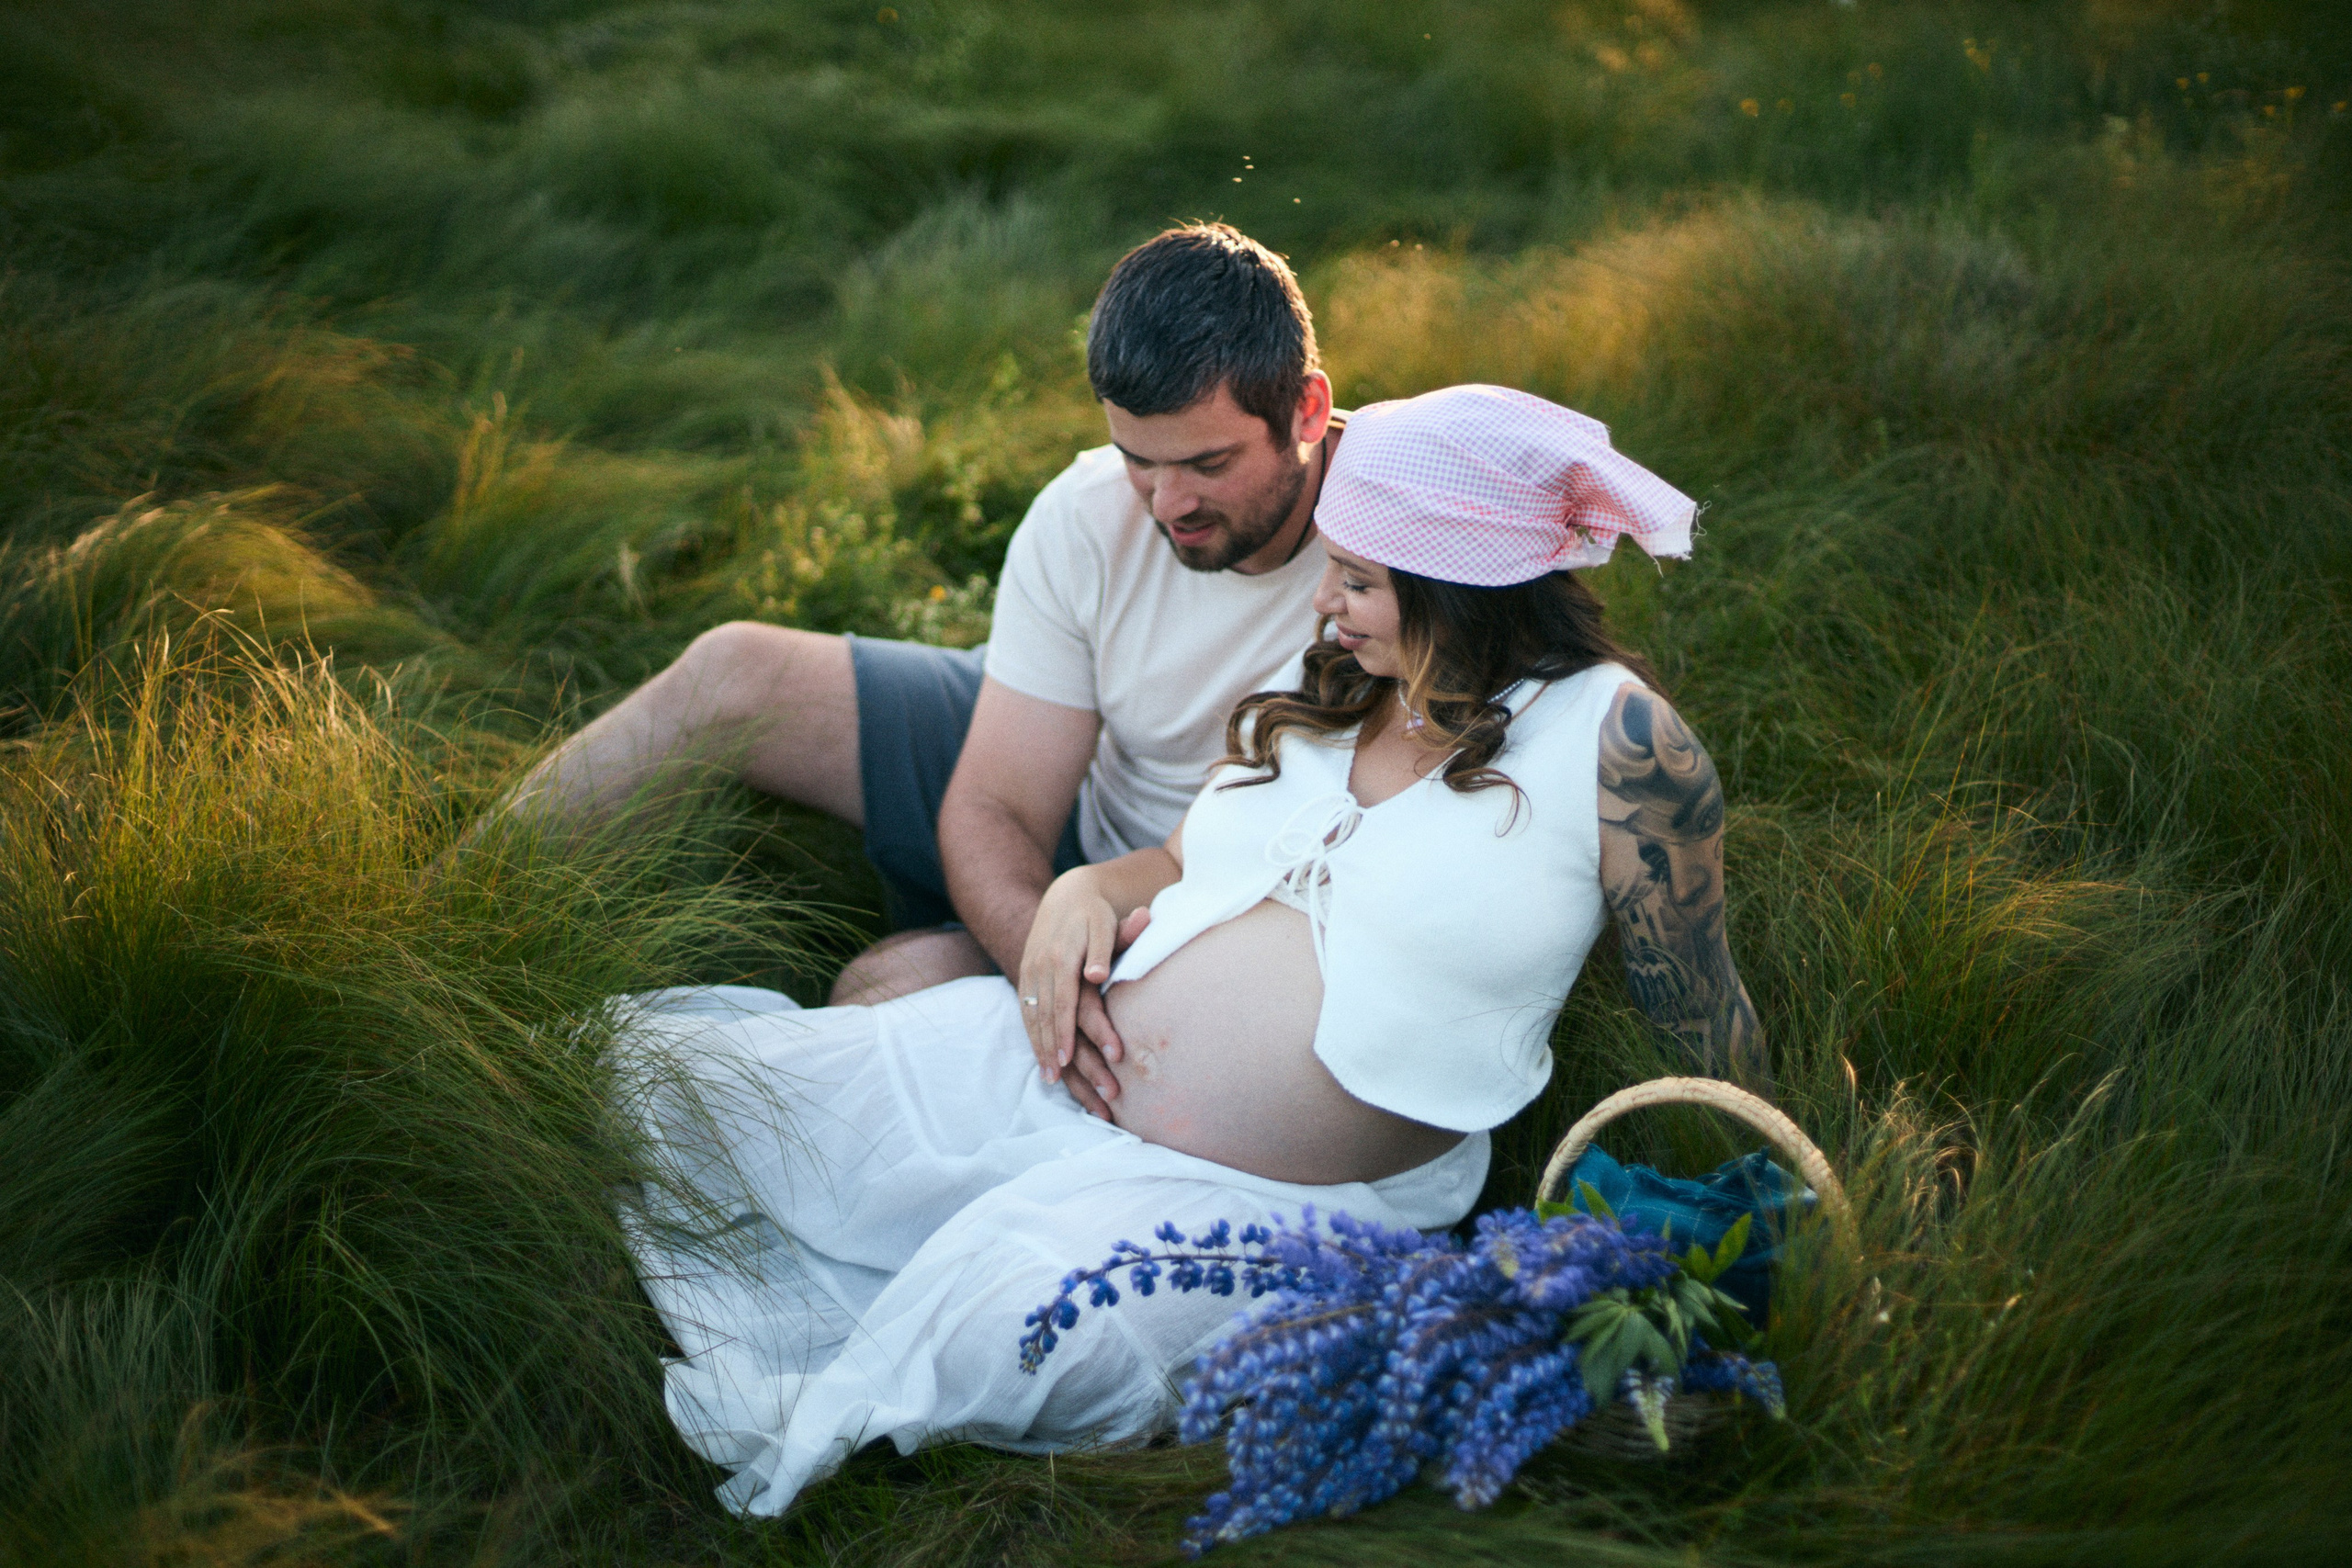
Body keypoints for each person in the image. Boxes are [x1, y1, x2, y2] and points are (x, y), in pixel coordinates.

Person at [617, 384, 1765, 1518]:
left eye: (1359, 578)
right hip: (1057, 1077)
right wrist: (1080, 888)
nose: (1326, 603)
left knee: (1013, 1327)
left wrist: (1775, 1192)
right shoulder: (1339, 685)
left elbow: (1700, 1011)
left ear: (1456, 581)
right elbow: (1175, 861)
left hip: (1287, 1204)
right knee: (702, 1097)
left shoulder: (1614, 740)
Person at [499, 224, 1343, 1114]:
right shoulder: (1091, 513)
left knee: (889, 988)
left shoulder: (1403, 555)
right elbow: (996, 804)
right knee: (732, 672)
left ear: (1307, 411)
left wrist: (1088, 983)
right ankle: (429, 919)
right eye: (1141, 459)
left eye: (1207, 464)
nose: (1169, 504)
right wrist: (1040, 961)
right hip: (1079, 796)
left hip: (1198, 905)